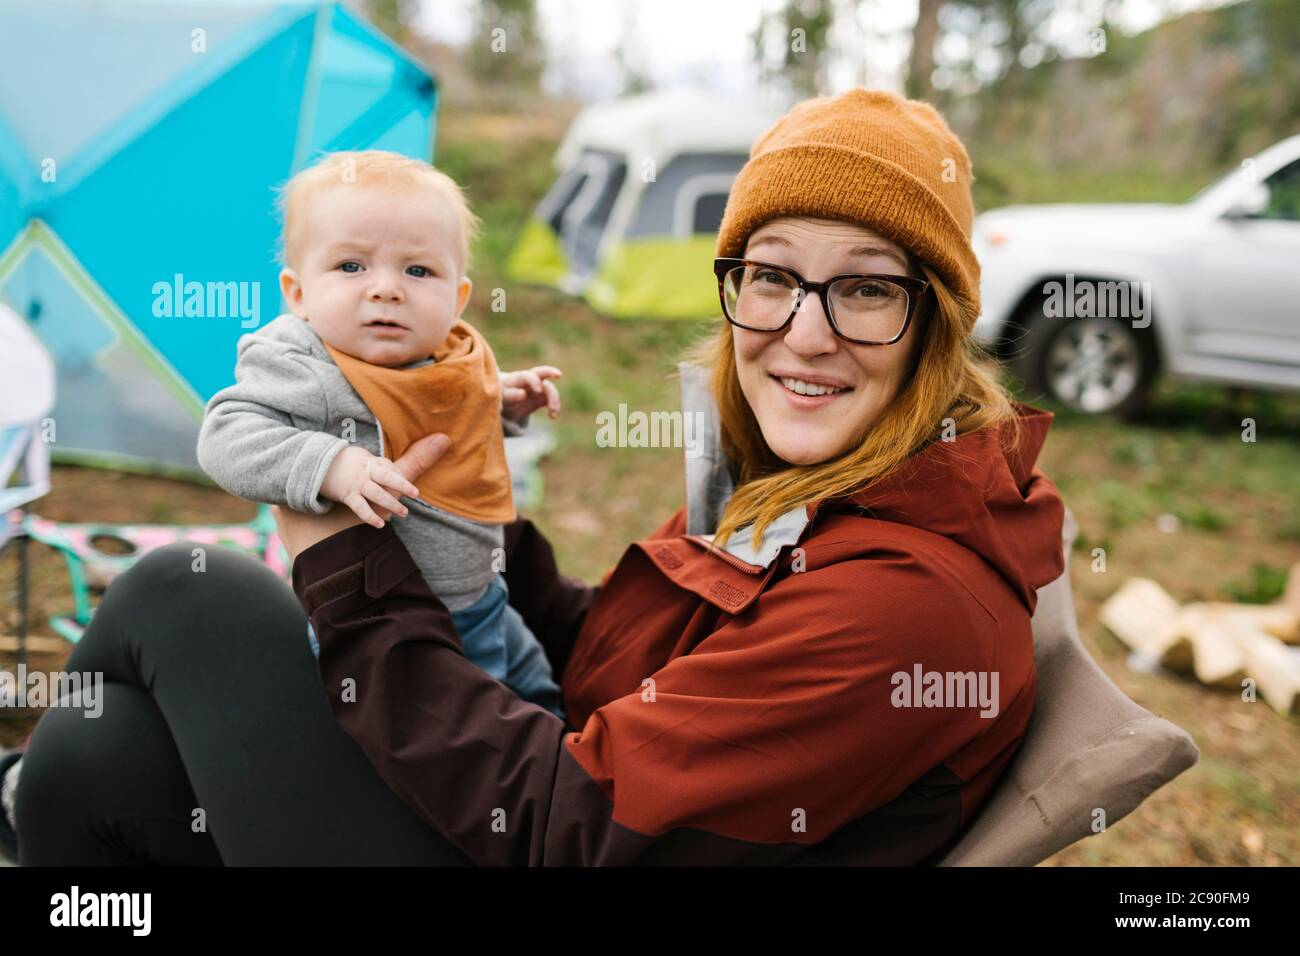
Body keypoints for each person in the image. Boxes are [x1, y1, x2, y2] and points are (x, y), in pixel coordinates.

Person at [3, 88, 1065, 866]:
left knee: (188, 589)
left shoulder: (909, 609)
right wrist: (456, 508)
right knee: (102, 757)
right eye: (773, 274)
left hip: (536, 838)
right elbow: (629, 658)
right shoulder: (809, 485)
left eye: (867, 289)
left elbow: (577, 823)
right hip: (530, 798)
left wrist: (344, 549)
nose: (804, 331)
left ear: (940, 324)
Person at [195, 149, 565, 719]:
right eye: (351, 267)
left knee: (538, 687)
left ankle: (564, 758)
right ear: (297, 293)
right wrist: (332, 465)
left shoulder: (446, 355)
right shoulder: (306, 363)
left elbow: (450, 416)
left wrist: (505, 401)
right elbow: (226, 435)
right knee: (460, 725)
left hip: (480, 593)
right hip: (383, 615)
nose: (387, 289)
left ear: (457, 298)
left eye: (418, 271)